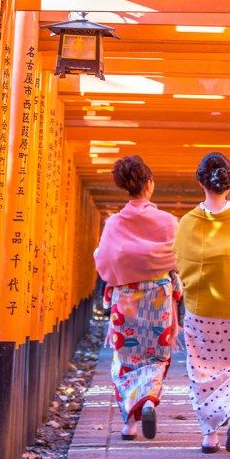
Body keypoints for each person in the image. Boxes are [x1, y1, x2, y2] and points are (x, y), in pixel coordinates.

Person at [173, 152, 230, 453]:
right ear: (229, 181)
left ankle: (209, 435)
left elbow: (179, 263)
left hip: (202, 311)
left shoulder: (189, 223)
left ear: (200, 181)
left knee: (201, 368)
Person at [94, 155, 182, 440]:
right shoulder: (168, 222)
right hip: (158, 297)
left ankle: (128, 423)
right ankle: (148, 399)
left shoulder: (114, 224)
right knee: (157, 355)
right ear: (149, 184)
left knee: (126, 357)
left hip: (126, 298)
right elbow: (180, 257)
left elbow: (103, 261)